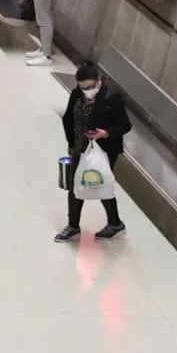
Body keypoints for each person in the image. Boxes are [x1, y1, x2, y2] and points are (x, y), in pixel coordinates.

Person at [55, 62, 130, 242]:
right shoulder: (77, 94)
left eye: (88, 88)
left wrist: (106, 133)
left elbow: (125, 125)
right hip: (80, 147)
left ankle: (115, 223)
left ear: (97, 81)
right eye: (82, 88)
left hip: (104, 150)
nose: (85, 92)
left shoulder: (112, 98)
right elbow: (68, 118)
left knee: (101, 184)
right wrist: (72, 142)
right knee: (75, 186)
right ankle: (73, 226)